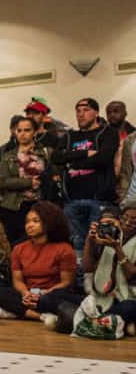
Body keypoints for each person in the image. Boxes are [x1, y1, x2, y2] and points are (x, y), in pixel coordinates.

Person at [0, 201, 82, 326]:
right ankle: (39, 316)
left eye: (35, 221)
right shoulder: (18, 249)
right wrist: (26, 294)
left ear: (49, 222)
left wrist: (43, 294)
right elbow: (17, 280)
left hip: (50, 294)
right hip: (27, 295)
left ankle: (19, 312)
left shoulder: (64, 249)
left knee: (58, 298)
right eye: (27, 221)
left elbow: (67, 283)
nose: (29, 225)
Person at [52, 97, 120, 256]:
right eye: (78, 110)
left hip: (99, 200)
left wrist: (71, 161)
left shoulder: (107, 132)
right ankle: (82, 281)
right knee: (77, 248)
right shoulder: (69, 136)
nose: (81, 114)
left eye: (86, 110)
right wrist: (85, 153)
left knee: (100, 248)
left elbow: (103, 158)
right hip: (72, 201)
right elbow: (55, 157)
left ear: (96, 113)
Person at [0, 116, 55, 244]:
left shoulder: (45, 152)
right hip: (13, 206)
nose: (22, 134)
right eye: (19, 130)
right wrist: (28, 182)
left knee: (38, 242)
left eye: (27, 130)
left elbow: (53, 177)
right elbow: (3, 182)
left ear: (34, 132)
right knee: (15, 244)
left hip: (38, 204)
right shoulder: (8, 155)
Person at [80, 201, 136, 325]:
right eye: (125, 218)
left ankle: (94, 320)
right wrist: (89, 240)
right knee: (56, 297)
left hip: (128, 298)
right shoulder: (107, 237)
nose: (127, 223)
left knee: (129, 307)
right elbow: (87, 268)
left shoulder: (116, 242)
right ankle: (114, 322)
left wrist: (117, 248)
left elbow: (131, 276)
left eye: (134, 220)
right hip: (103, 297)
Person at [107, 101, 135, 202]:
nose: (112, 115)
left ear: (125, 113)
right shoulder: (102, 134)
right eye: (109, 112)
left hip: (128, 182)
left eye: (116, 111)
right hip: (108, 181)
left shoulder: (132, 134)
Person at [0, 115, 25, 180]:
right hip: (8, 188)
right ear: (11, 130)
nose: (21, 132)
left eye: (25, 129)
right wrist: (7, 169)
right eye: (17, 128)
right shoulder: (4, 149)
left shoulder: (34, 146)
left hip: (29, 188)